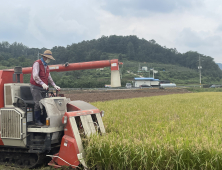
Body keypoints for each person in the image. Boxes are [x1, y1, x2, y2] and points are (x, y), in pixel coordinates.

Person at [30, 50, 60, 126]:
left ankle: (44, 120)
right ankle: (37, 121)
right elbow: (35, 76)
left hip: (43, 88)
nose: (49, 60)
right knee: (38, 103)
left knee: (45, 104)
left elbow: (49, 77)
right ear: (44, 57)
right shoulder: (37, 63)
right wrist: (42, 83)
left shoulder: (46, 66)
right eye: (48, 58)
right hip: (36, 87)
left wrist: (54, 85)